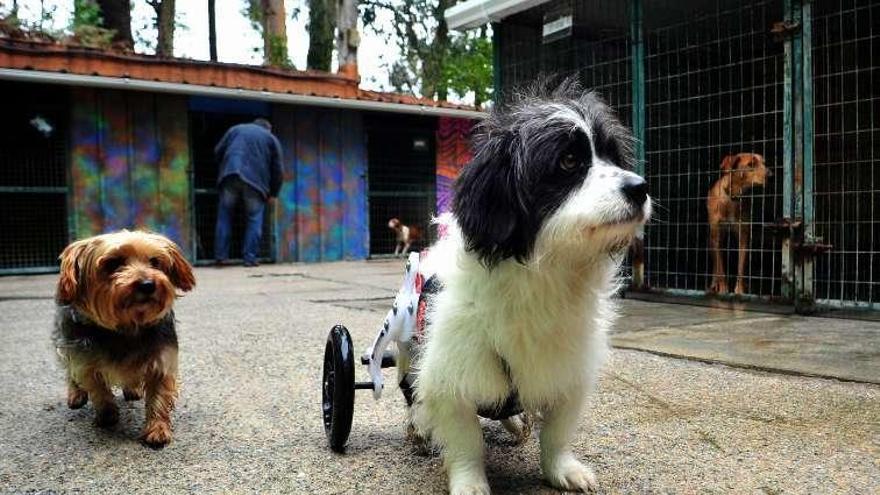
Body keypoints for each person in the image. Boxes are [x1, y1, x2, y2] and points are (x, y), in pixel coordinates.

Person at [213, 117, 282, 267]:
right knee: (254, 219)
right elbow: (277, 168)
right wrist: (274, 193)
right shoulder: (270, 138)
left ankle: (221, 257)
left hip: (230, 176)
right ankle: (250, 259)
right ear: (268, 128)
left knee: (225, 216)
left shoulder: (235, 129)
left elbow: (218, 151)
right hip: (255, 183)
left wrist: (223, 168)